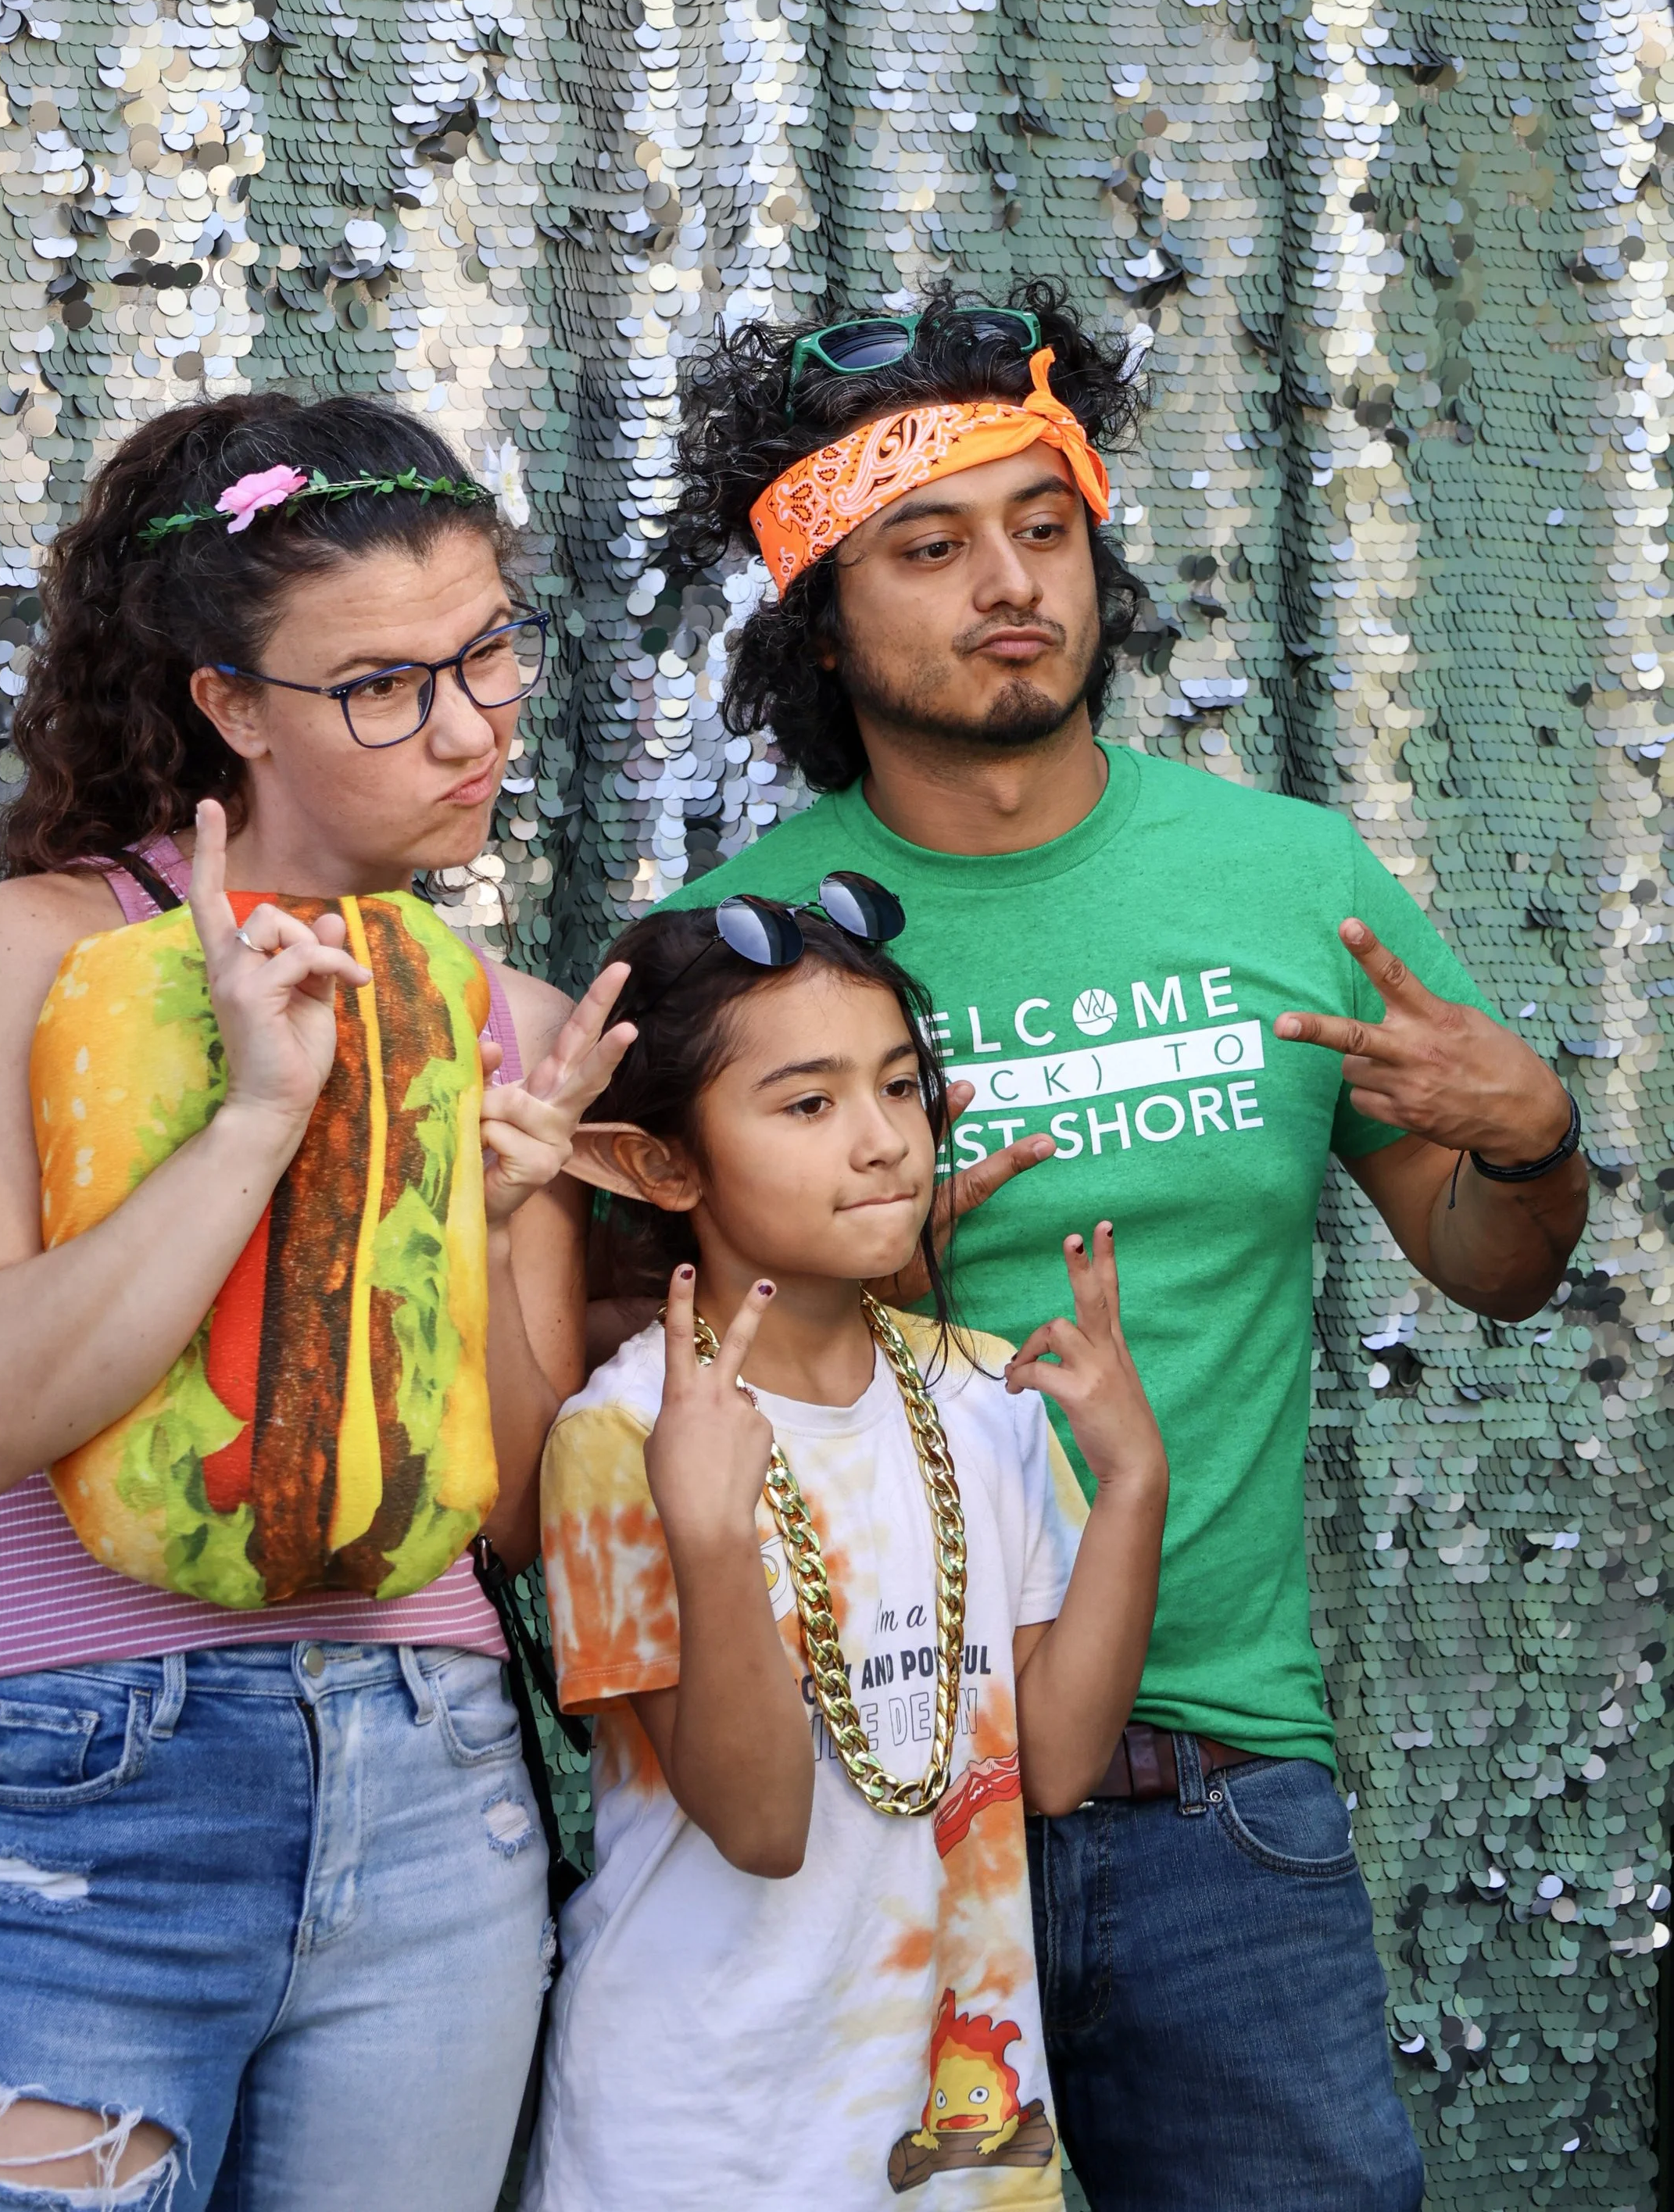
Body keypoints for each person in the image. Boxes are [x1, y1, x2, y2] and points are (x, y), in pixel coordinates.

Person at [660, 285, 1589, 2210]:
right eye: (926, 546)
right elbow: (639, 1365)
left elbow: (1488, 1265)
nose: (1006, 582)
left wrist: (1534, 1140)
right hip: (862, 1791)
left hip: (1217, 1788)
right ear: (820, 611)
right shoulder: (735, 945)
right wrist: (864, 1300)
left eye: (1041, 528)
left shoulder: (1288, 880)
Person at [0, 396, 631, 2212]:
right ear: (224, 704)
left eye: (486, 653)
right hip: (99, 1776)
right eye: (380, 685)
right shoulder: (49, 951)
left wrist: (502, 1208)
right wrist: (262, 1121)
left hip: (438, 1795)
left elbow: (510, 1513)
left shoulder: (496, 1009)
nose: (465, 729)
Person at [525, 899, 1168, 2210]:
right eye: (807, 1106)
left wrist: (1136, 1485)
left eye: (899, 1089)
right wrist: (708, 1535)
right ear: (665, 1169)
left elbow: (1051, 1767)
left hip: (956, 2144)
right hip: (701, 2132)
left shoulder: (986, 1396)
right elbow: (760, 1829)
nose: (884, 1144)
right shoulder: (623, 1436)